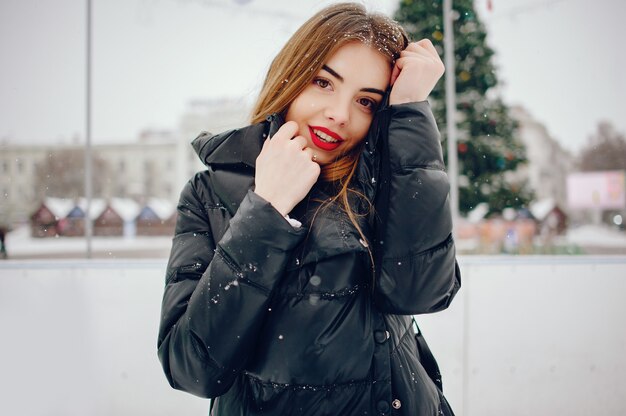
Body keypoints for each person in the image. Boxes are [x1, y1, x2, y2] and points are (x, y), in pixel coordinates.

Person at [157, 3, 461, 415]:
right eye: (323, 82)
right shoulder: (209, 193)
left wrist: (410, 110)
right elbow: (191, 367)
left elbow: (421, 292)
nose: (339, 114)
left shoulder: (382, 184)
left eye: (367, 101)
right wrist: (265, 210)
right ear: (292, 74)